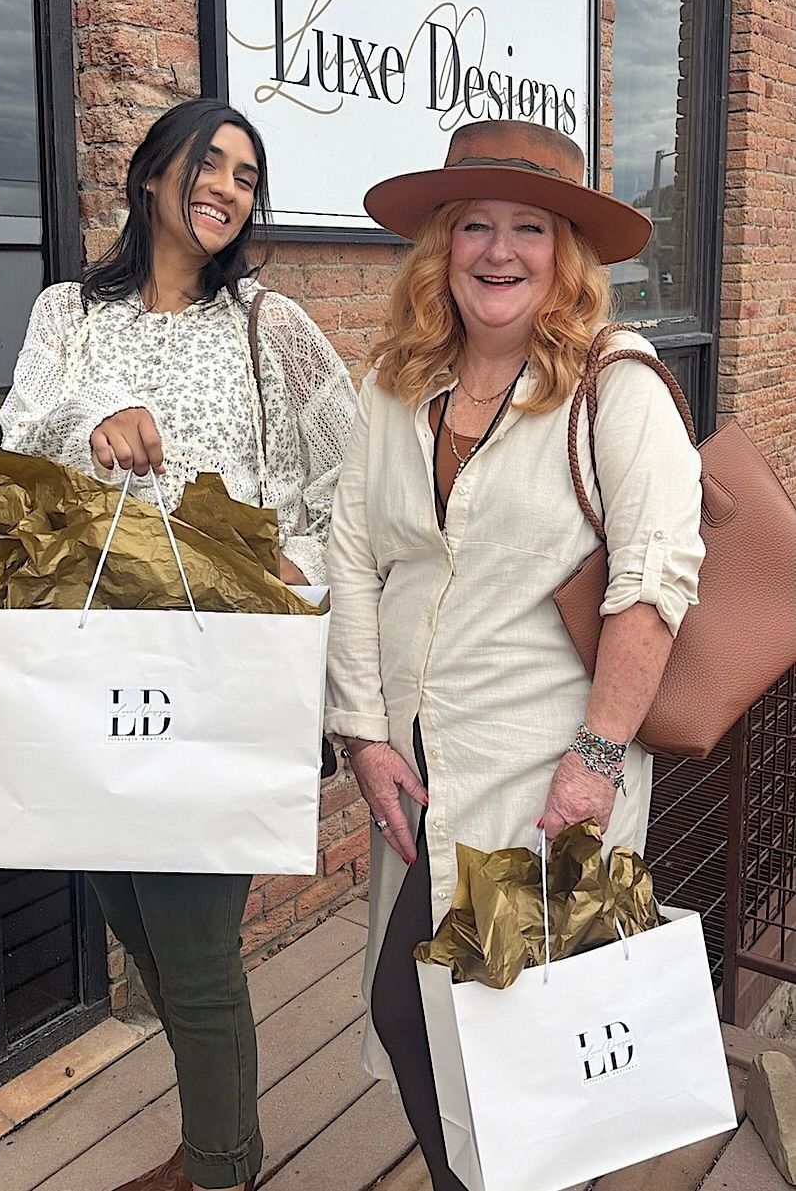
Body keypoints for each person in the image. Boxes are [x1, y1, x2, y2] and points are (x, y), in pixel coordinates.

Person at [323, 120, 705, 1190]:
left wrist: (594, 759)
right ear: (439, 248)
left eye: (527, 227)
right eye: (473, 225)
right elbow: (353, 555)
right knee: (417, 1017)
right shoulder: (395, 383)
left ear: (564, 253)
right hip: (417, 767)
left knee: (526, 1047)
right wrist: (358, 728)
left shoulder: (612, 386)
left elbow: (652, 581)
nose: (498, 251)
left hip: (544, 785)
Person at [0, 98, 356, 1191]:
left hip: (222, 673)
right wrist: (98, 410)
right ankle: (223, 1142)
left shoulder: (269, 325)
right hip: (97, 666)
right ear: (153, 172)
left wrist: (304, 568)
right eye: (211, 164)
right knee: (136, 932)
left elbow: (352, 470)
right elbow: (21, 433)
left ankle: (218, 1170)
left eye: (247, 176)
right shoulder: (70, 314)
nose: (228, 188)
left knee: (196, 961)